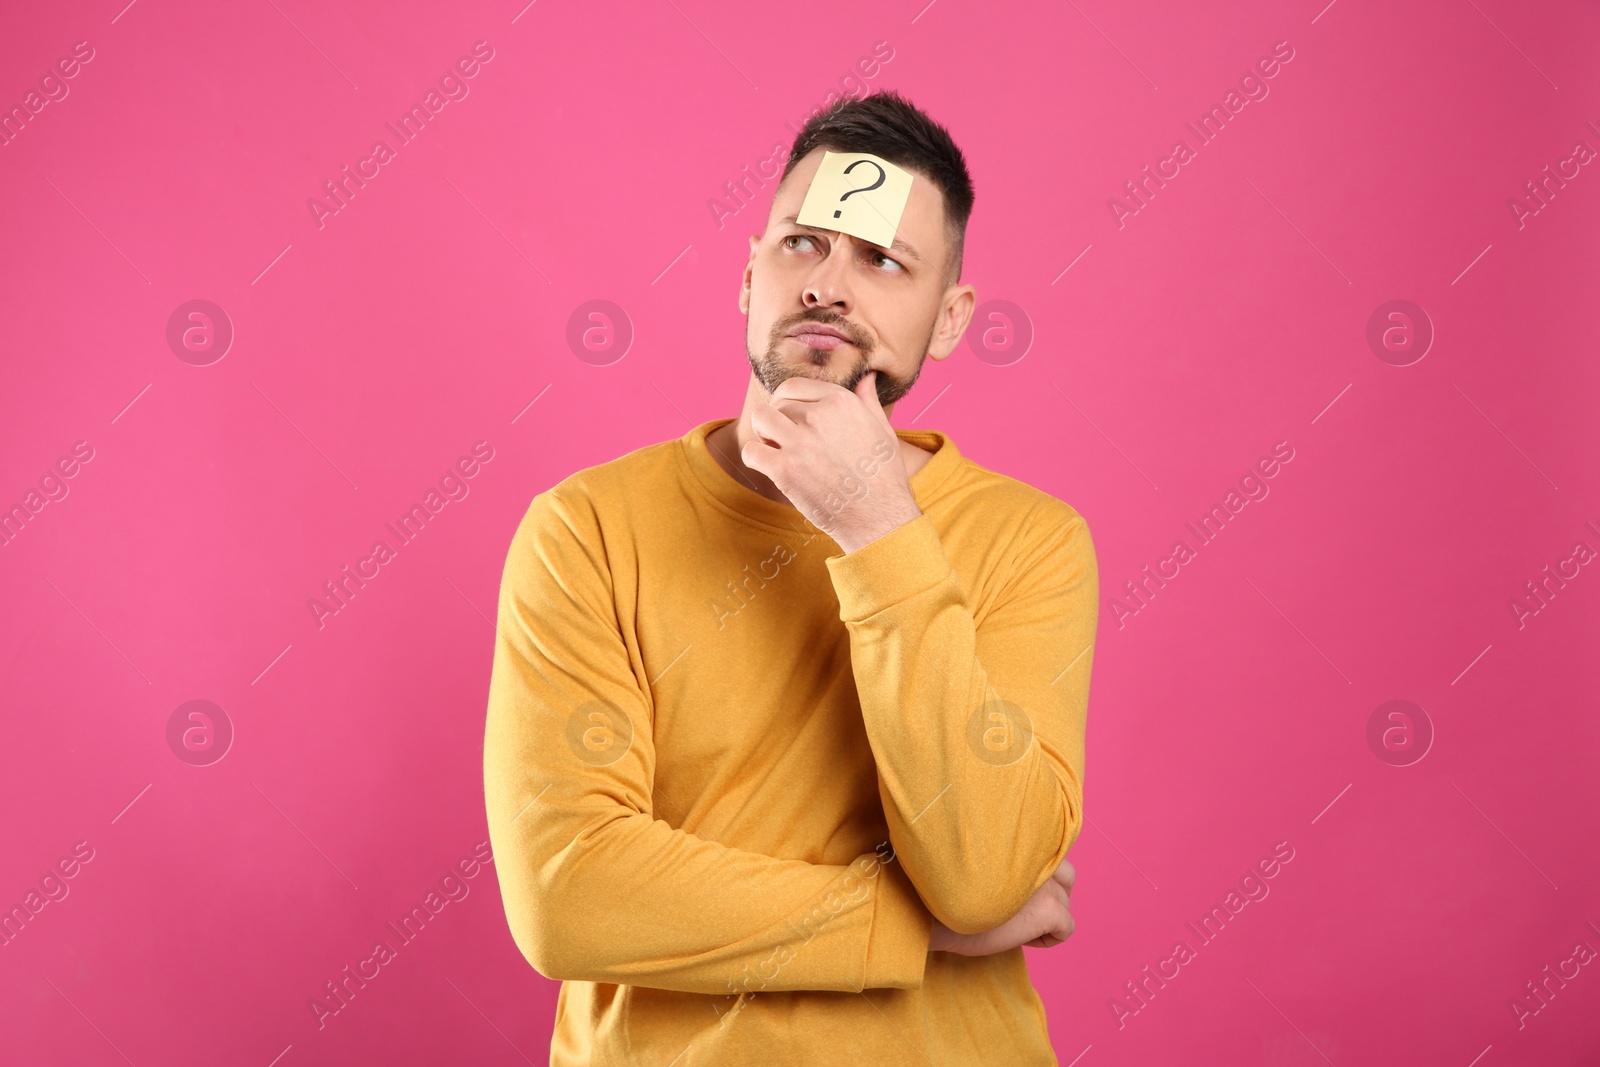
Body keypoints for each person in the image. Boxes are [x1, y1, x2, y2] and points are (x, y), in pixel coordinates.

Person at [483, 89, 1098, 1065]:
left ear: (948, 320)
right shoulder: (588, 528)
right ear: (747, 277)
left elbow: (983, 877)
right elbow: (570, 891)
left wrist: (877, 525)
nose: (827, 284)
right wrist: (910, 930)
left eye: (882, 260)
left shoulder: (1031, 541)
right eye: (802, 244)